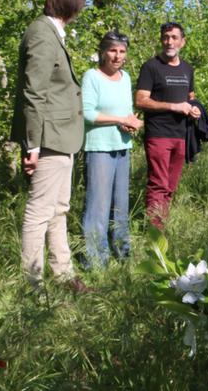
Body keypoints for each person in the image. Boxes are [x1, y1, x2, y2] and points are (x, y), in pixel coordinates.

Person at [10, 0, 90, 292]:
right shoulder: (42, 34)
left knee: (59, 209)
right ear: (73, 7)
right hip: (48, 138)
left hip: (62, 137)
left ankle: (64, 276)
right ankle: (33, 286)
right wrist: (32, 145)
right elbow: (34, 92)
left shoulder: (50, 32)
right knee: (39, 211)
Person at [80, 32, 143, 268]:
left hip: (123, 146)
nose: (117, 56)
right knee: (98, 205)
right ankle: (95, 260)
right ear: (103, 52)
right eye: (113, 50)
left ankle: (122, 253)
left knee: (120, 205)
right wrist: (119, 120)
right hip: (100, 148)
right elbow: (87, 114)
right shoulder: (92, 76)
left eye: (122, 51)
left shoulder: (125, 77)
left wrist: (131, 122)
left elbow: (125, 111)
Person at [135, 22, 200, 230]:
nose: (169, 41)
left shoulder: (187, 69)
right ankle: (154, 234)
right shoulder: (151, 67)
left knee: (170, 186)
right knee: (158, 185)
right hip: (158, 134)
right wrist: (173, 106)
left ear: (183, 41)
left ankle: (162, 225)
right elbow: (141, 100)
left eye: (173, 37)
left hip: (181, 135)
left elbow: (191, 98)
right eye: (165, 37)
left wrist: (194, 109)